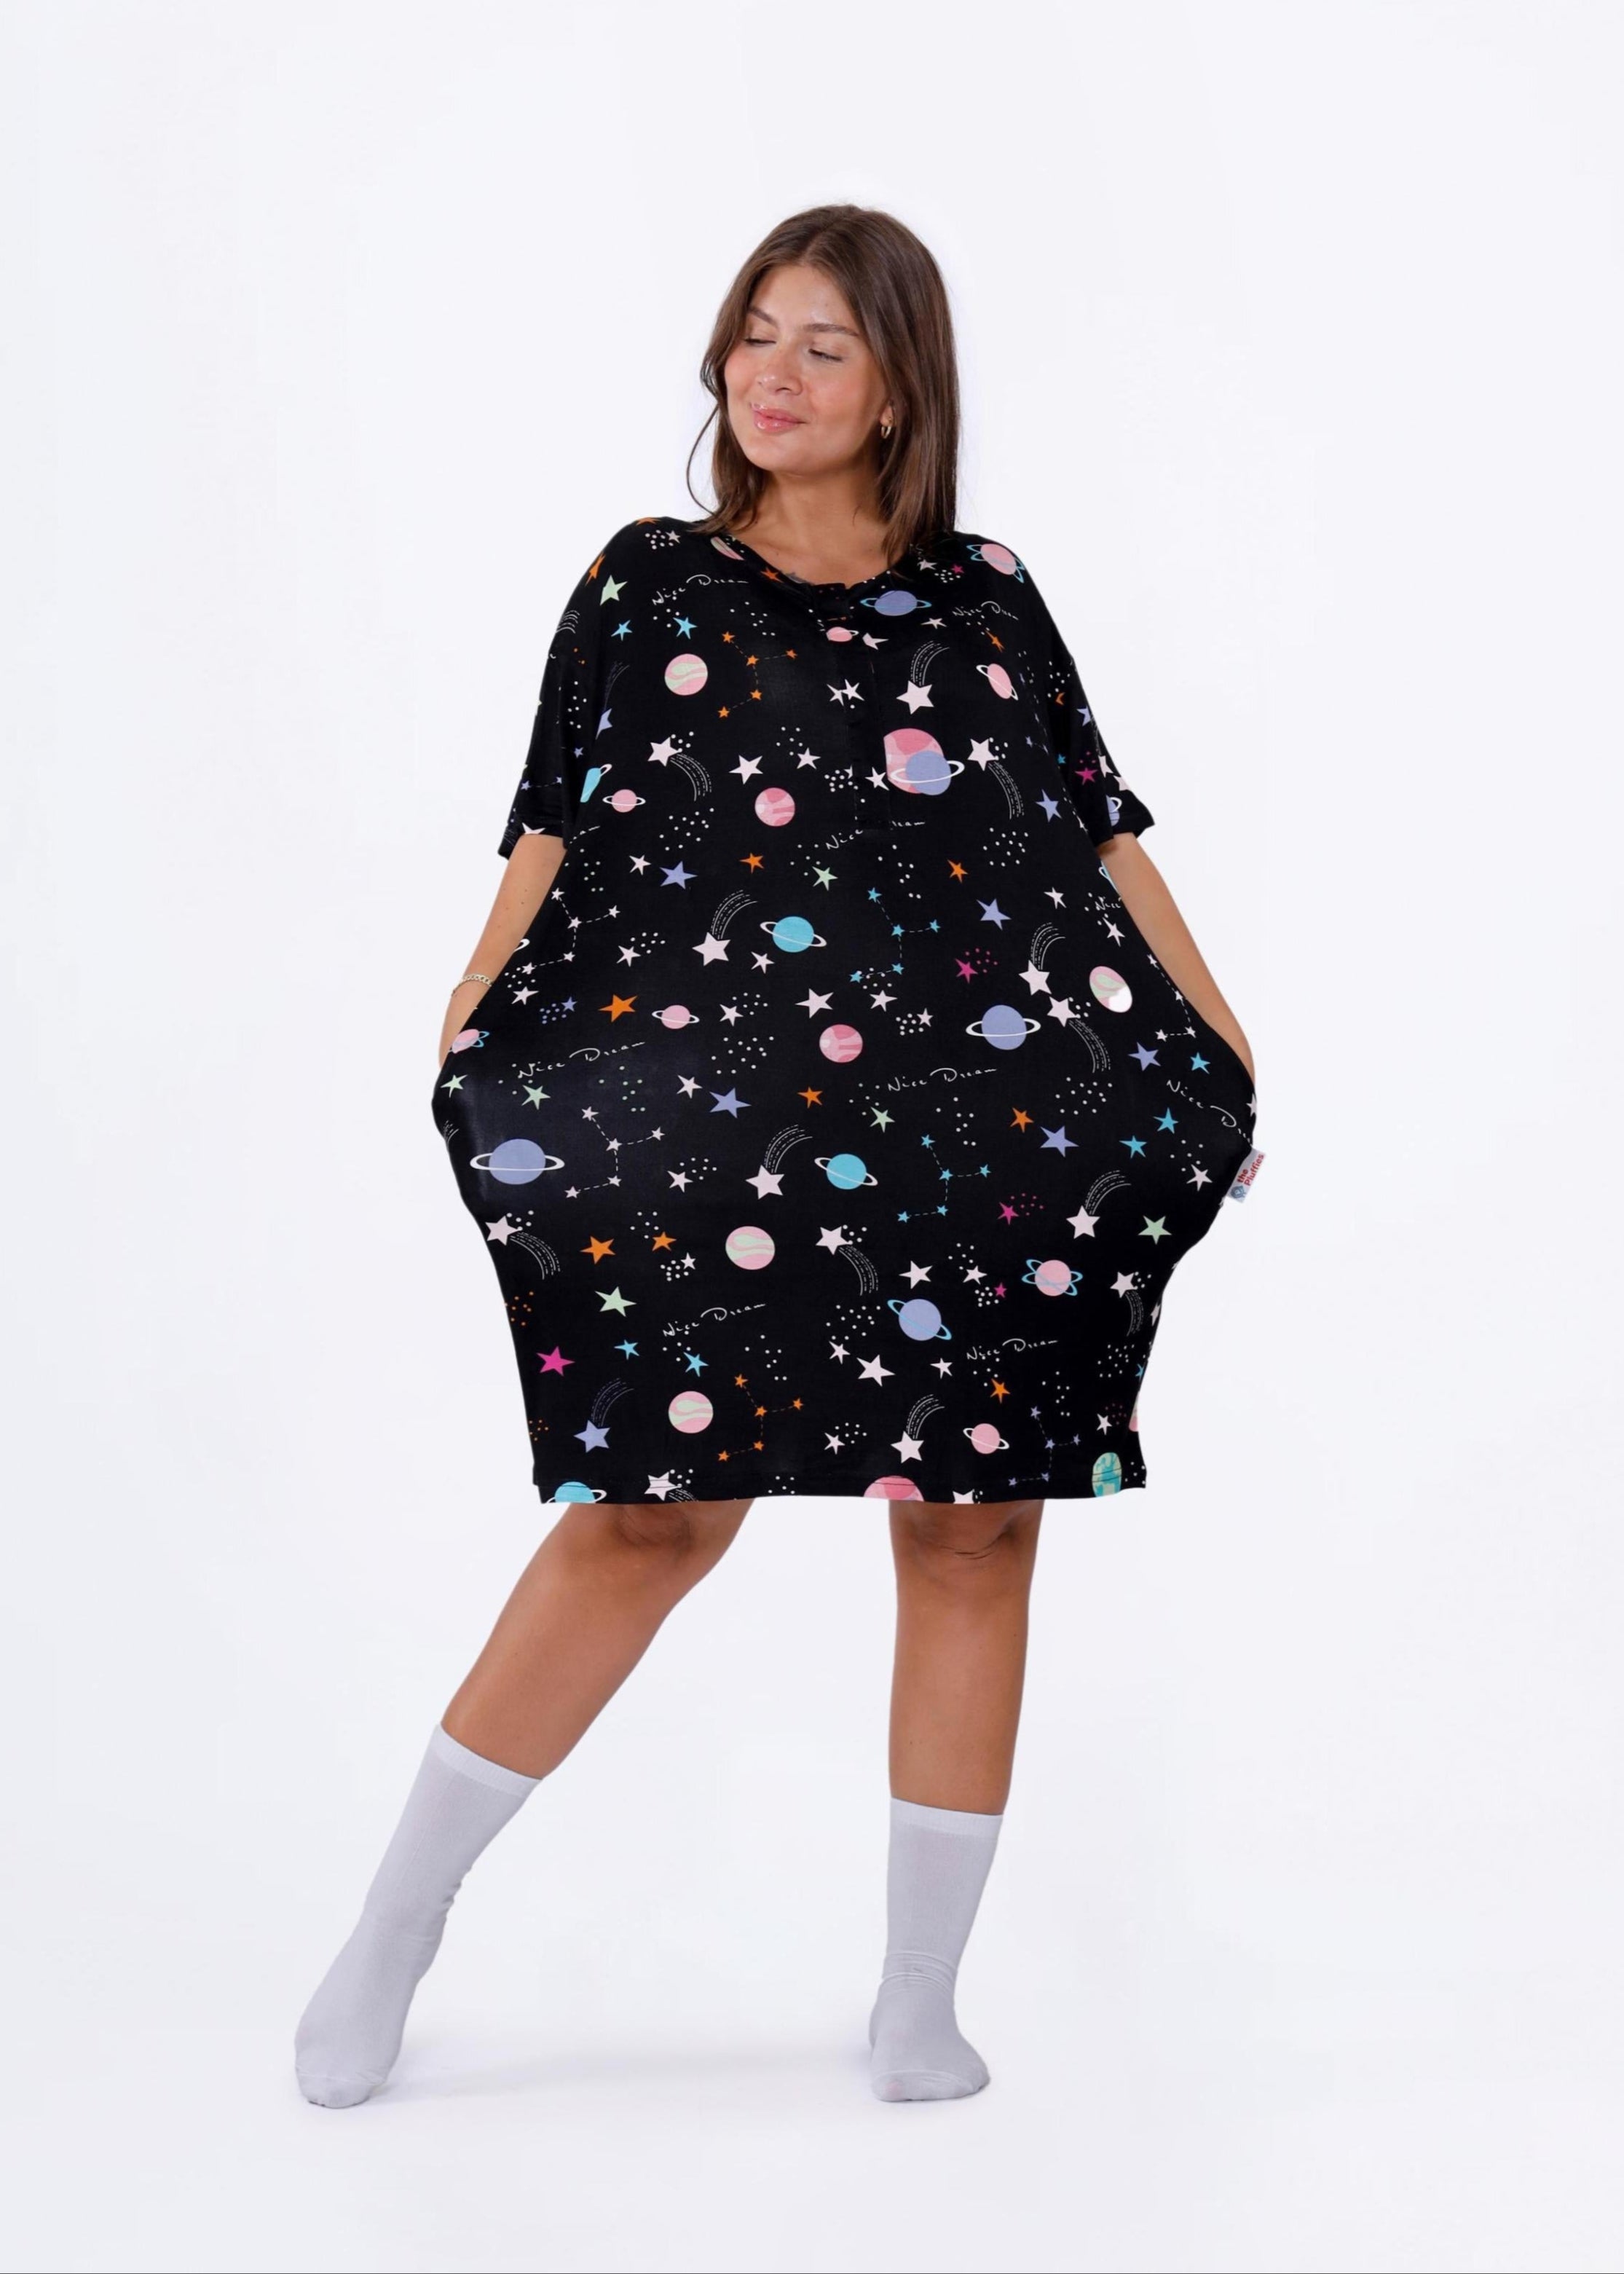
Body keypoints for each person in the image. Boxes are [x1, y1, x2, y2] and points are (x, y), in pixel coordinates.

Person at [295, 204, 1260, 2110]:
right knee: (650, 1516)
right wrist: (475, 1020)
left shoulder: (989, 595)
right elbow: (556, 824)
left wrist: (1219, 1040)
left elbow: (1096, 831)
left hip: (970, 1127)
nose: (774, 373)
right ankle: (394, 1928)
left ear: (900, 383)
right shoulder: (648, 580)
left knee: (976, 1524)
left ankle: (917, 2003)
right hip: (711, 1126)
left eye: (824, 342)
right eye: (754, 333)